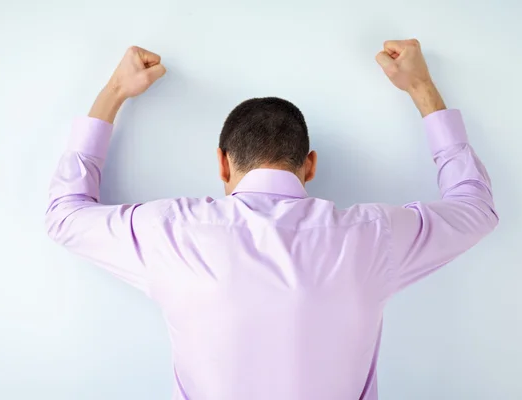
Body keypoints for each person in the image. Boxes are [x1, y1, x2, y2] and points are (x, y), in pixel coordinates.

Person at [45, 39, 498, 400]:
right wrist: (422, 88)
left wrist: (115, 92)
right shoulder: (372, 237)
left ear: (222, 164)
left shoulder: (172, 233)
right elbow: (475, 209)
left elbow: (65, 214)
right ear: (311, 165)